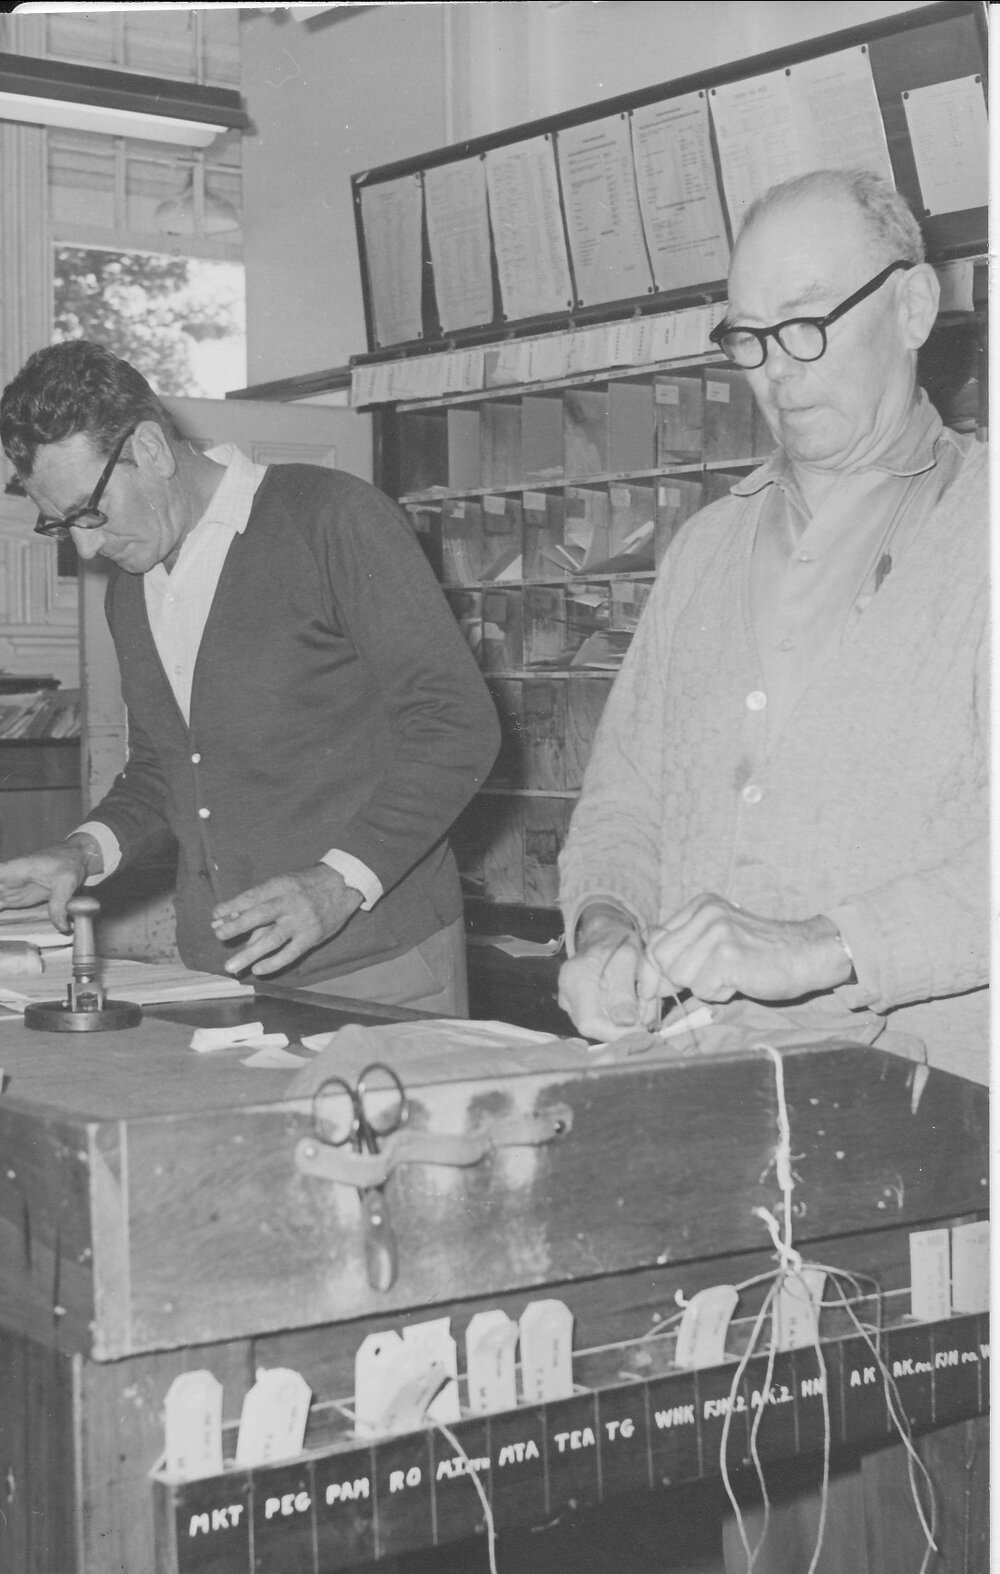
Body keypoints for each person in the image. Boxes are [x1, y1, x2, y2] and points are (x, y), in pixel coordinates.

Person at [557, 168, 987, 1087]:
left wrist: (821, 946)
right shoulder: (705, 550)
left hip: (936, 1120)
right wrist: (606, 926)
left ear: (913, 306)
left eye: (806, 324)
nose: (777, 370)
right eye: (748, 339)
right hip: (702, 1092)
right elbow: (625, 797)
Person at [0, 341, 499, 1013]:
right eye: (63, 526)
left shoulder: (331, 517)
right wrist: (82, 854)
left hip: (377, 963)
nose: (88, 546)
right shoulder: (133, 588)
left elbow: (458, 724)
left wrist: (337, 883)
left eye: (91, 512)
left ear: (149, 448)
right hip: (221, 976)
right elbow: (164, 768)